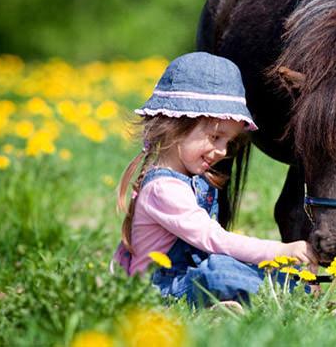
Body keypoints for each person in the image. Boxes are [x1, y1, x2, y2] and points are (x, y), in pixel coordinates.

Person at [111, 52, 316, 307]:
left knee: (227, 267)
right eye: (215, 137)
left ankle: (291, 293)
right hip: (160, 291)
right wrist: (280, 251)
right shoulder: (163, 189)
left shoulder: (192, 179)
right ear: (176, 126)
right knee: (219, 272)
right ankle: (290, 296)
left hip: (187, 277)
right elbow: (214, 239)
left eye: (228, 142)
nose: (222, 151)